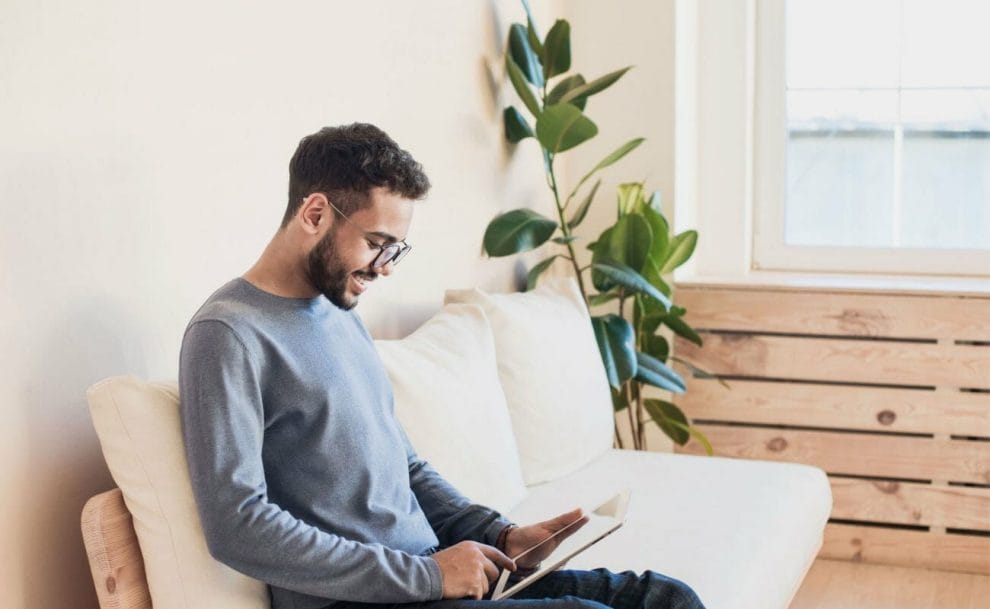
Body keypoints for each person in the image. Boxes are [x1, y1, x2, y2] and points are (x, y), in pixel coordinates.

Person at [178, 123, 706, 609]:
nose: (384, 268)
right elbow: (238, 525)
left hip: (431, 578)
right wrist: (428, 576)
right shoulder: (228, 335)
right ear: (314, 214)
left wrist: (499, 535)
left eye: (395, 250)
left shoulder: (336, 312)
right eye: (377, 244)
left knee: (665, 598)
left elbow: (405, 469)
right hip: (362, 600)